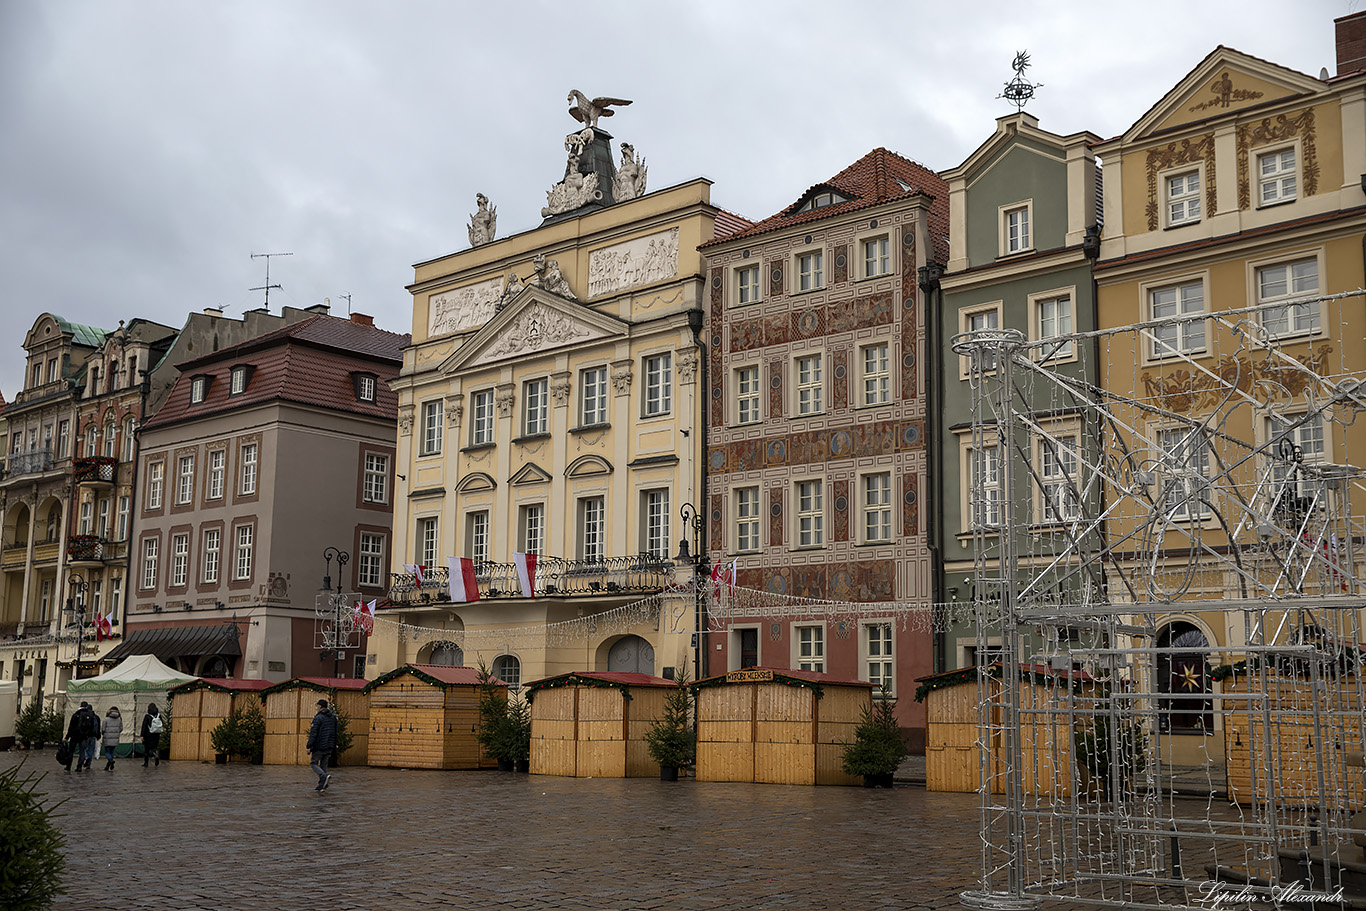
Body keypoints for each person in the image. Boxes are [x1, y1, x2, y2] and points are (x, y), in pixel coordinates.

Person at [305, 698, 338, 791]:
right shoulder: (333, 718)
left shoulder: (318, 718)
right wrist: (333, 746)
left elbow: (313, 733)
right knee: (324, 765)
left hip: (319, 745)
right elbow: (335, 733)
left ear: (320, 707)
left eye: (317, 706)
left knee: (313, 763)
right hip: (329, 745)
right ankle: (322, 785)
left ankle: (324, 776)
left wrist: (309, 746)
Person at [64, 701, 99, 772]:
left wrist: (67, 737)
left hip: (74, 736)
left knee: (71, 751)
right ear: (86, 707)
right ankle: (79, 766)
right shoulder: (90, 715)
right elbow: (92, 727)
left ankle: (68, 766)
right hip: (84, 736)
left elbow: (71, 726)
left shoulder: (76, 714)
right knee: (82, 751)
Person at [100, 706, 123, 771]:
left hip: (107, 737)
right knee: (112, 751)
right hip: (115, 738)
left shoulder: (106, 719)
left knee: (107, 752)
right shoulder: (119, 719)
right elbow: (121, 729)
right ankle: (109, 764)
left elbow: (103, 729)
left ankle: (110, 760)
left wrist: (103, 733)